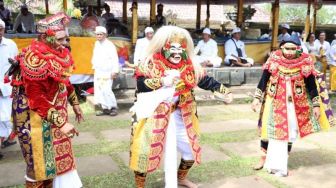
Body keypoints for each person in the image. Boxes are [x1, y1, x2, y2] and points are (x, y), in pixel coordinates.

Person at [130, 25, 233, 188]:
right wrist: (162, 81)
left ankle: (181, 178)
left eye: (181, 48)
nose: (177, 53)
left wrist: (224, 91)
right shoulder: (150, 62)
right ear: (163, 47)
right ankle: (139, 185)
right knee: (144, 151)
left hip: (181, 113)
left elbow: (204, 80)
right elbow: (141, 85)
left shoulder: (189, 65)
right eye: (173, 48)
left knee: (190, 148)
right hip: (153, 114)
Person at [11, 12, 83, 187]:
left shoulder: (60, 52)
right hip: (31, 117)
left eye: (66, 38)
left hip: (52, 113)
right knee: (38, 166)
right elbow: (36, 98)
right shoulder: (33, 58)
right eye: (59, 39)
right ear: (45, 37)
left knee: (56, 160)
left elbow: (64, 81)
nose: (64, 43)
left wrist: (75, 103)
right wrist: (61, 122)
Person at [251, 33, 322, 177]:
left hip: (295, 104)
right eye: (287, 49)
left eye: (293, 49)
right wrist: (257, 98)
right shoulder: (274, 59)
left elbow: (311, 86)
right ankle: (263, 157)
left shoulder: (305, 62)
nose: (289, 52)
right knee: (268, 129)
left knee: (291, 131)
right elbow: (264, 79)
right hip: (274, 100)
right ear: (281, 47)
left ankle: (283, 160)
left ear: (298, 49)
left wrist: (316, 105)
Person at [0, 19, 18, 160]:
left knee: (6, 118)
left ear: (3, 30)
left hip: (6, 88)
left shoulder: (11, 45)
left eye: (0, 29)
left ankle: (8, 139)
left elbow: (16, 67)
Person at [92, 26, 119, 116]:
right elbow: (95, 56)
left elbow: (115, 58)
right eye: (97, 34)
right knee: (99, 90)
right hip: (98, 71)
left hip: (108, 71)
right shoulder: (96, 44)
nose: (99, 36)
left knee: (106, 90)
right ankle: (104, 108)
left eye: (101, 34)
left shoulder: (110, 45)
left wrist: (115, 71)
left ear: (105, 35)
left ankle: (113, 107)